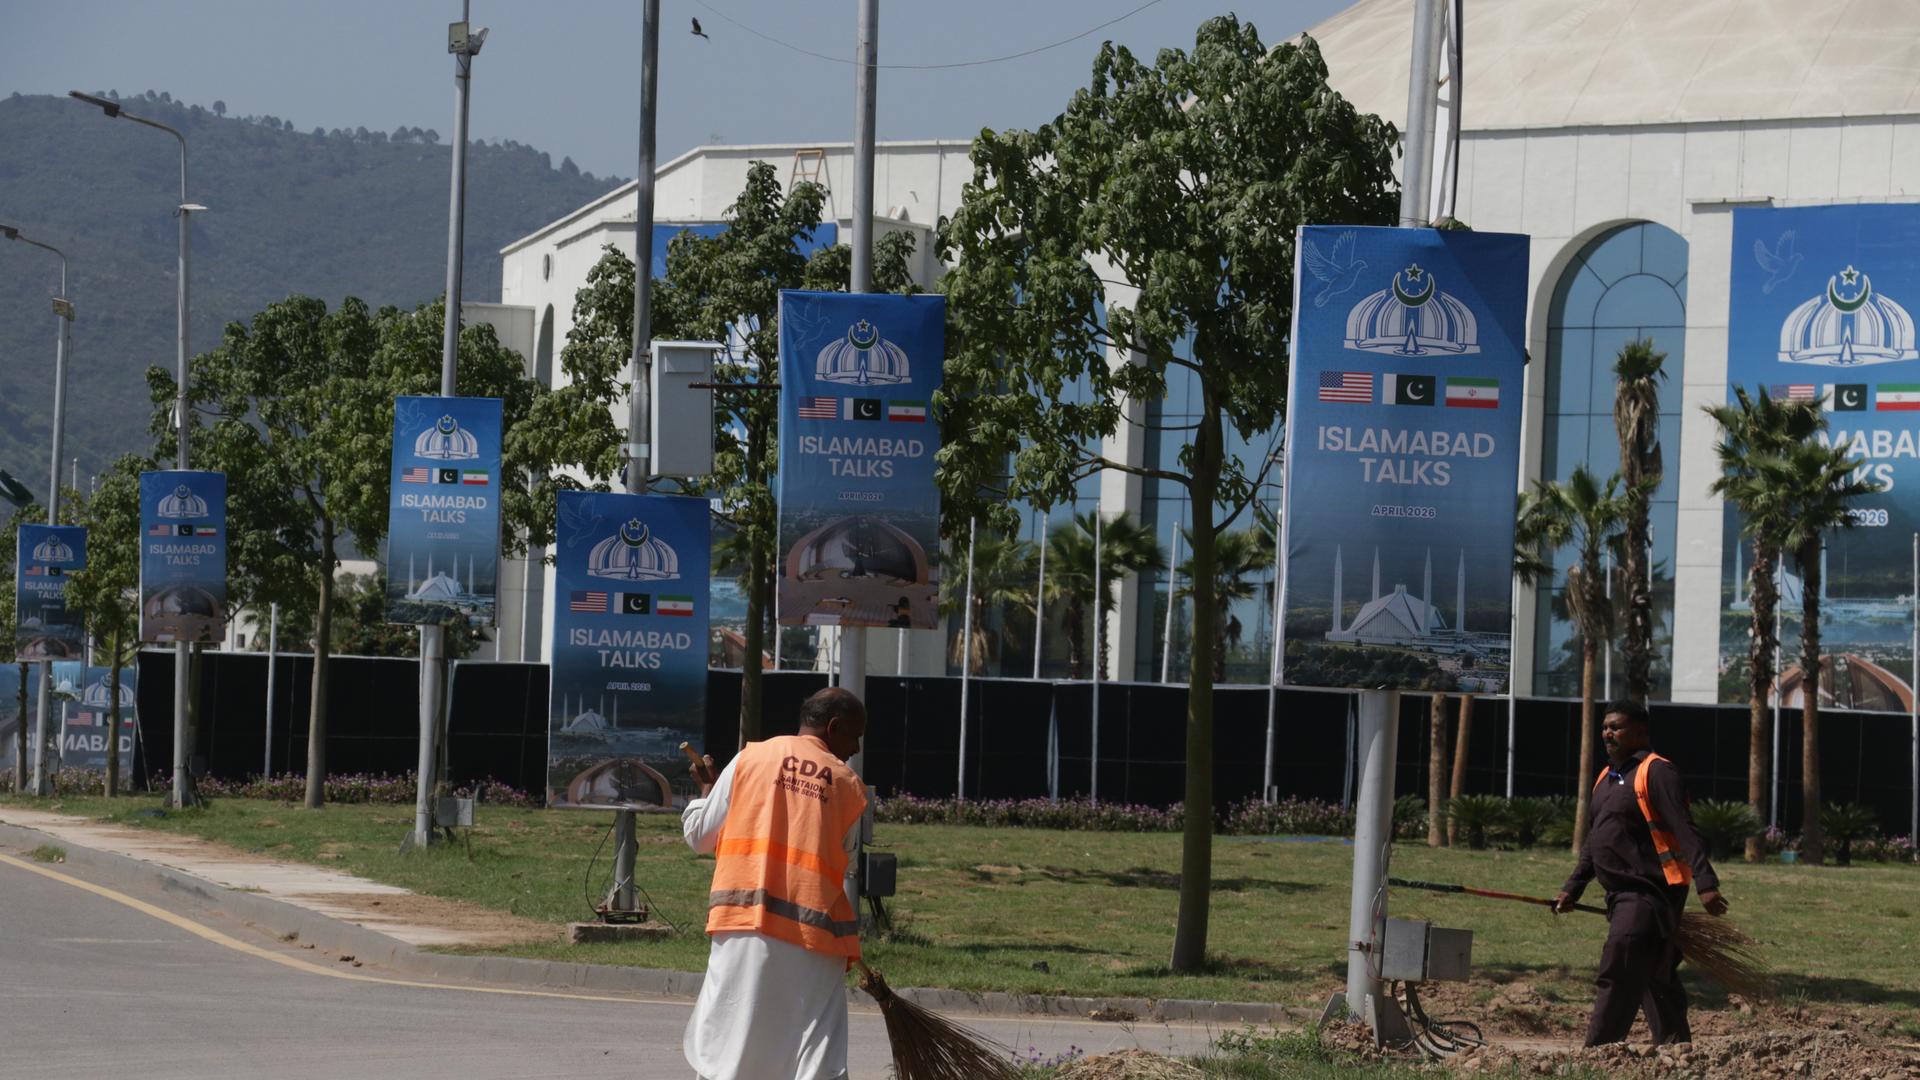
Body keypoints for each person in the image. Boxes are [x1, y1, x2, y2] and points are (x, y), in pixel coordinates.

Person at [682, 687, 868, 1080]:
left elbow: (699, 836)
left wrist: (706, 791)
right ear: (833, 728)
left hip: (741, 924)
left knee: (731, 1045)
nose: (855, 747)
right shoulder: (847, 784)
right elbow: (846, 860)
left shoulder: (749, 759)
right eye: (855, 735)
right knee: (815, 1051)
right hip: (813, 937)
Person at [1554, 700, 1730, 1047]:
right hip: (1620, 896)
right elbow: (1596, 839)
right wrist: (1571, 888)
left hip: (1649, 894)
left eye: (1616, 727)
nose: (1608, 733)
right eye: (1605, 727)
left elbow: (1685, 830)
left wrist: (1706, 884)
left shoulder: (1657, 772)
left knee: (1620, 963)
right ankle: (1677, 1050)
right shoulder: (1607, 777)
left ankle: (1599, 1052)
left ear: (1640, 732)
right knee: (1655, 974)